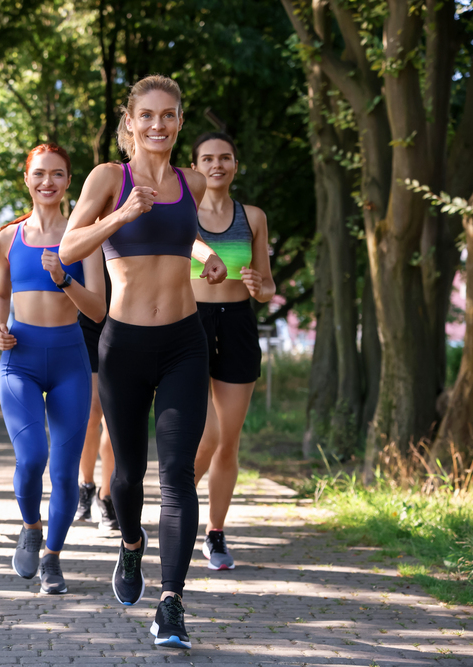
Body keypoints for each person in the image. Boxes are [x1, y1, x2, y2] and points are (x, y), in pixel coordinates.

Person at [59, 75, 227, 649]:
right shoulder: (110, 179)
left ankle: (172, 603)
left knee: (177, 476)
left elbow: (181, 238)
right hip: (124, 343)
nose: (159, 125)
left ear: (180, 121)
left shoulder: (194, 180)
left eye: (170, 115)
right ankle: (130, 543)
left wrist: (208, 258)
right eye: (147, 115)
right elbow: (70, 248)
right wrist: (121, 214)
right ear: (129, 121)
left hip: (184, 341)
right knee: (128, 476)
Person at [0, 144, 106, 595]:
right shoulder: (9, 237)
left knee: (64, 472)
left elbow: (99, 311)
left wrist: (64, 278)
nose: (48, 182)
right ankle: (30, 525)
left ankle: (53, 558)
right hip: (20, 359)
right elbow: (0, 294)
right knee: (32, 459)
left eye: (58, 174)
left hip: (69, 359)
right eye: (39, 174)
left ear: (69, 182)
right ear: (26, 179)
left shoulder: (86, 237)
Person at [189, 132, 275, 571]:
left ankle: (215, 533)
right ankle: (178, 512)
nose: (217, 165)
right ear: (195, 166)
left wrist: (262, 286)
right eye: (208, 158)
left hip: (239, 324)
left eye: (225, 158)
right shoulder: (182, 210)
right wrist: (207, 256)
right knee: (205, 435)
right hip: (190, 325)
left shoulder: (253, 216)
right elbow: (185, 243)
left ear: (236, 166)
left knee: (229, 440)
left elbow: (267, 284)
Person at [74, 260, 119, 534]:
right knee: (91, 413)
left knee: (115, 420)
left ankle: (107, 496)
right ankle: (86, 485)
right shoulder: (84, 225)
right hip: (89, 324)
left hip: (128, 320)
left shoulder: (135, 217)